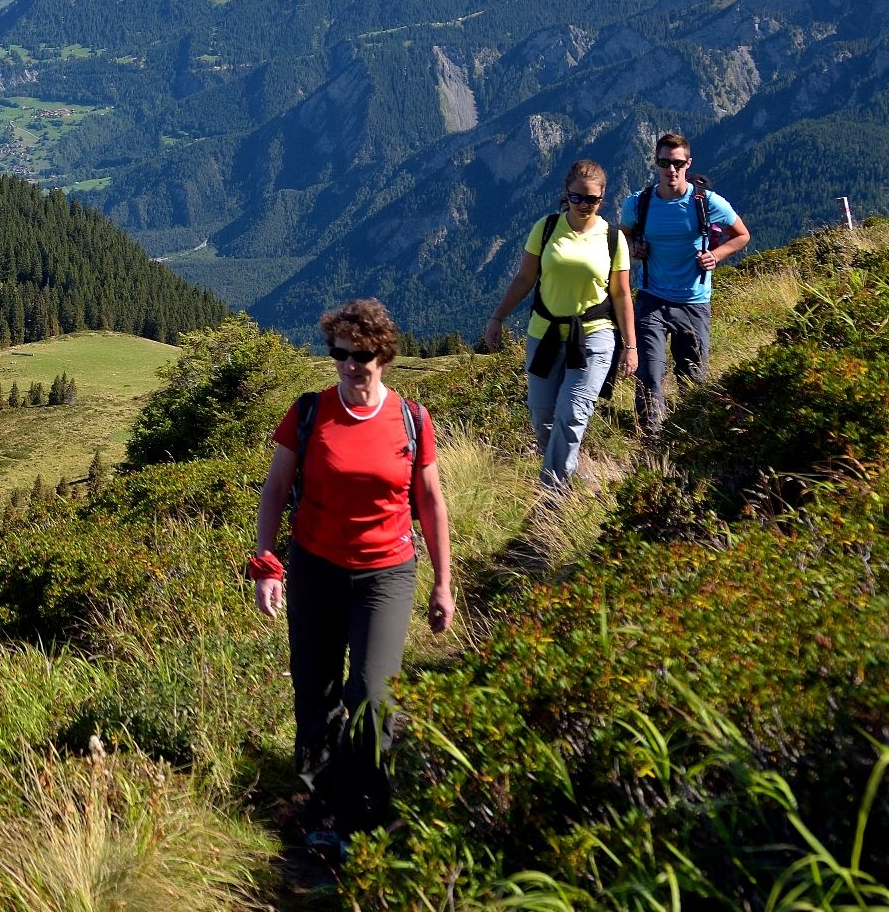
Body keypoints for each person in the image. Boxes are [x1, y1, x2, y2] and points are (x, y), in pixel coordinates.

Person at [248, 298, 455, 846]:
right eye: (337, 353)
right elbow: (274, 491)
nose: (347, 364)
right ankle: (323, 806)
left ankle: (366, 809)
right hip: (315, 567)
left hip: (386, 573)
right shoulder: (309, 412)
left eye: (358, 355)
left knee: (371, 690)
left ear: (382, 357)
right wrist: (267, 562)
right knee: (315, 691)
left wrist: (443, 583)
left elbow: (430, 502)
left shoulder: (411, 419)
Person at [477, 159, 638, 495]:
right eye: (577, 197)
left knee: (571, 415)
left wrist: (632, 347)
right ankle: (569, 474)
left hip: (594, 337)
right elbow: (524, 278)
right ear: (566, 193)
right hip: (544, 335)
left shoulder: (612, 238)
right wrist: (497, 317)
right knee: (543, 418)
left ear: (602, 198)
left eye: (591, 199)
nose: (583, 205)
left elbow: (622, 294)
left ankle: (550, 501)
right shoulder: (546, 228)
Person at [619, 131, 749, 436]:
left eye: (677, 162)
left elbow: (742, 235)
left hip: (693, 300)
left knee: (691, 375)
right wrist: (634, 246)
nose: (671, 169)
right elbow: (622, 234)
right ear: (656, 163)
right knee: (649, 372)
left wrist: (716, 256)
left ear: (688, 163)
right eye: (664, 162)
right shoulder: (639, 204)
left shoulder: (706, 202)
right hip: (652, 298)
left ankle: (692, 436)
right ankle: (651, 437)